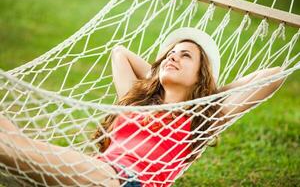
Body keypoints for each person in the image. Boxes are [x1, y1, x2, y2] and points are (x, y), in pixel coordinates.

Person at [0, 27, 284, 187]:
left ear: (201, 75)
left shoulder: (201, 119)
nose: (173, 58)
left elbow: (273, 76)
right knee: (10, 136)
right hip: (95, 171)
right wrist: (160, 72)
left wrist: (209, 94)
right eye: (170, 55)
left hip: (123, 182)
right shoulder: (135, 102)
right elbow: (119, 53)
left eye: (185, 56)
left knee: (11, 149)